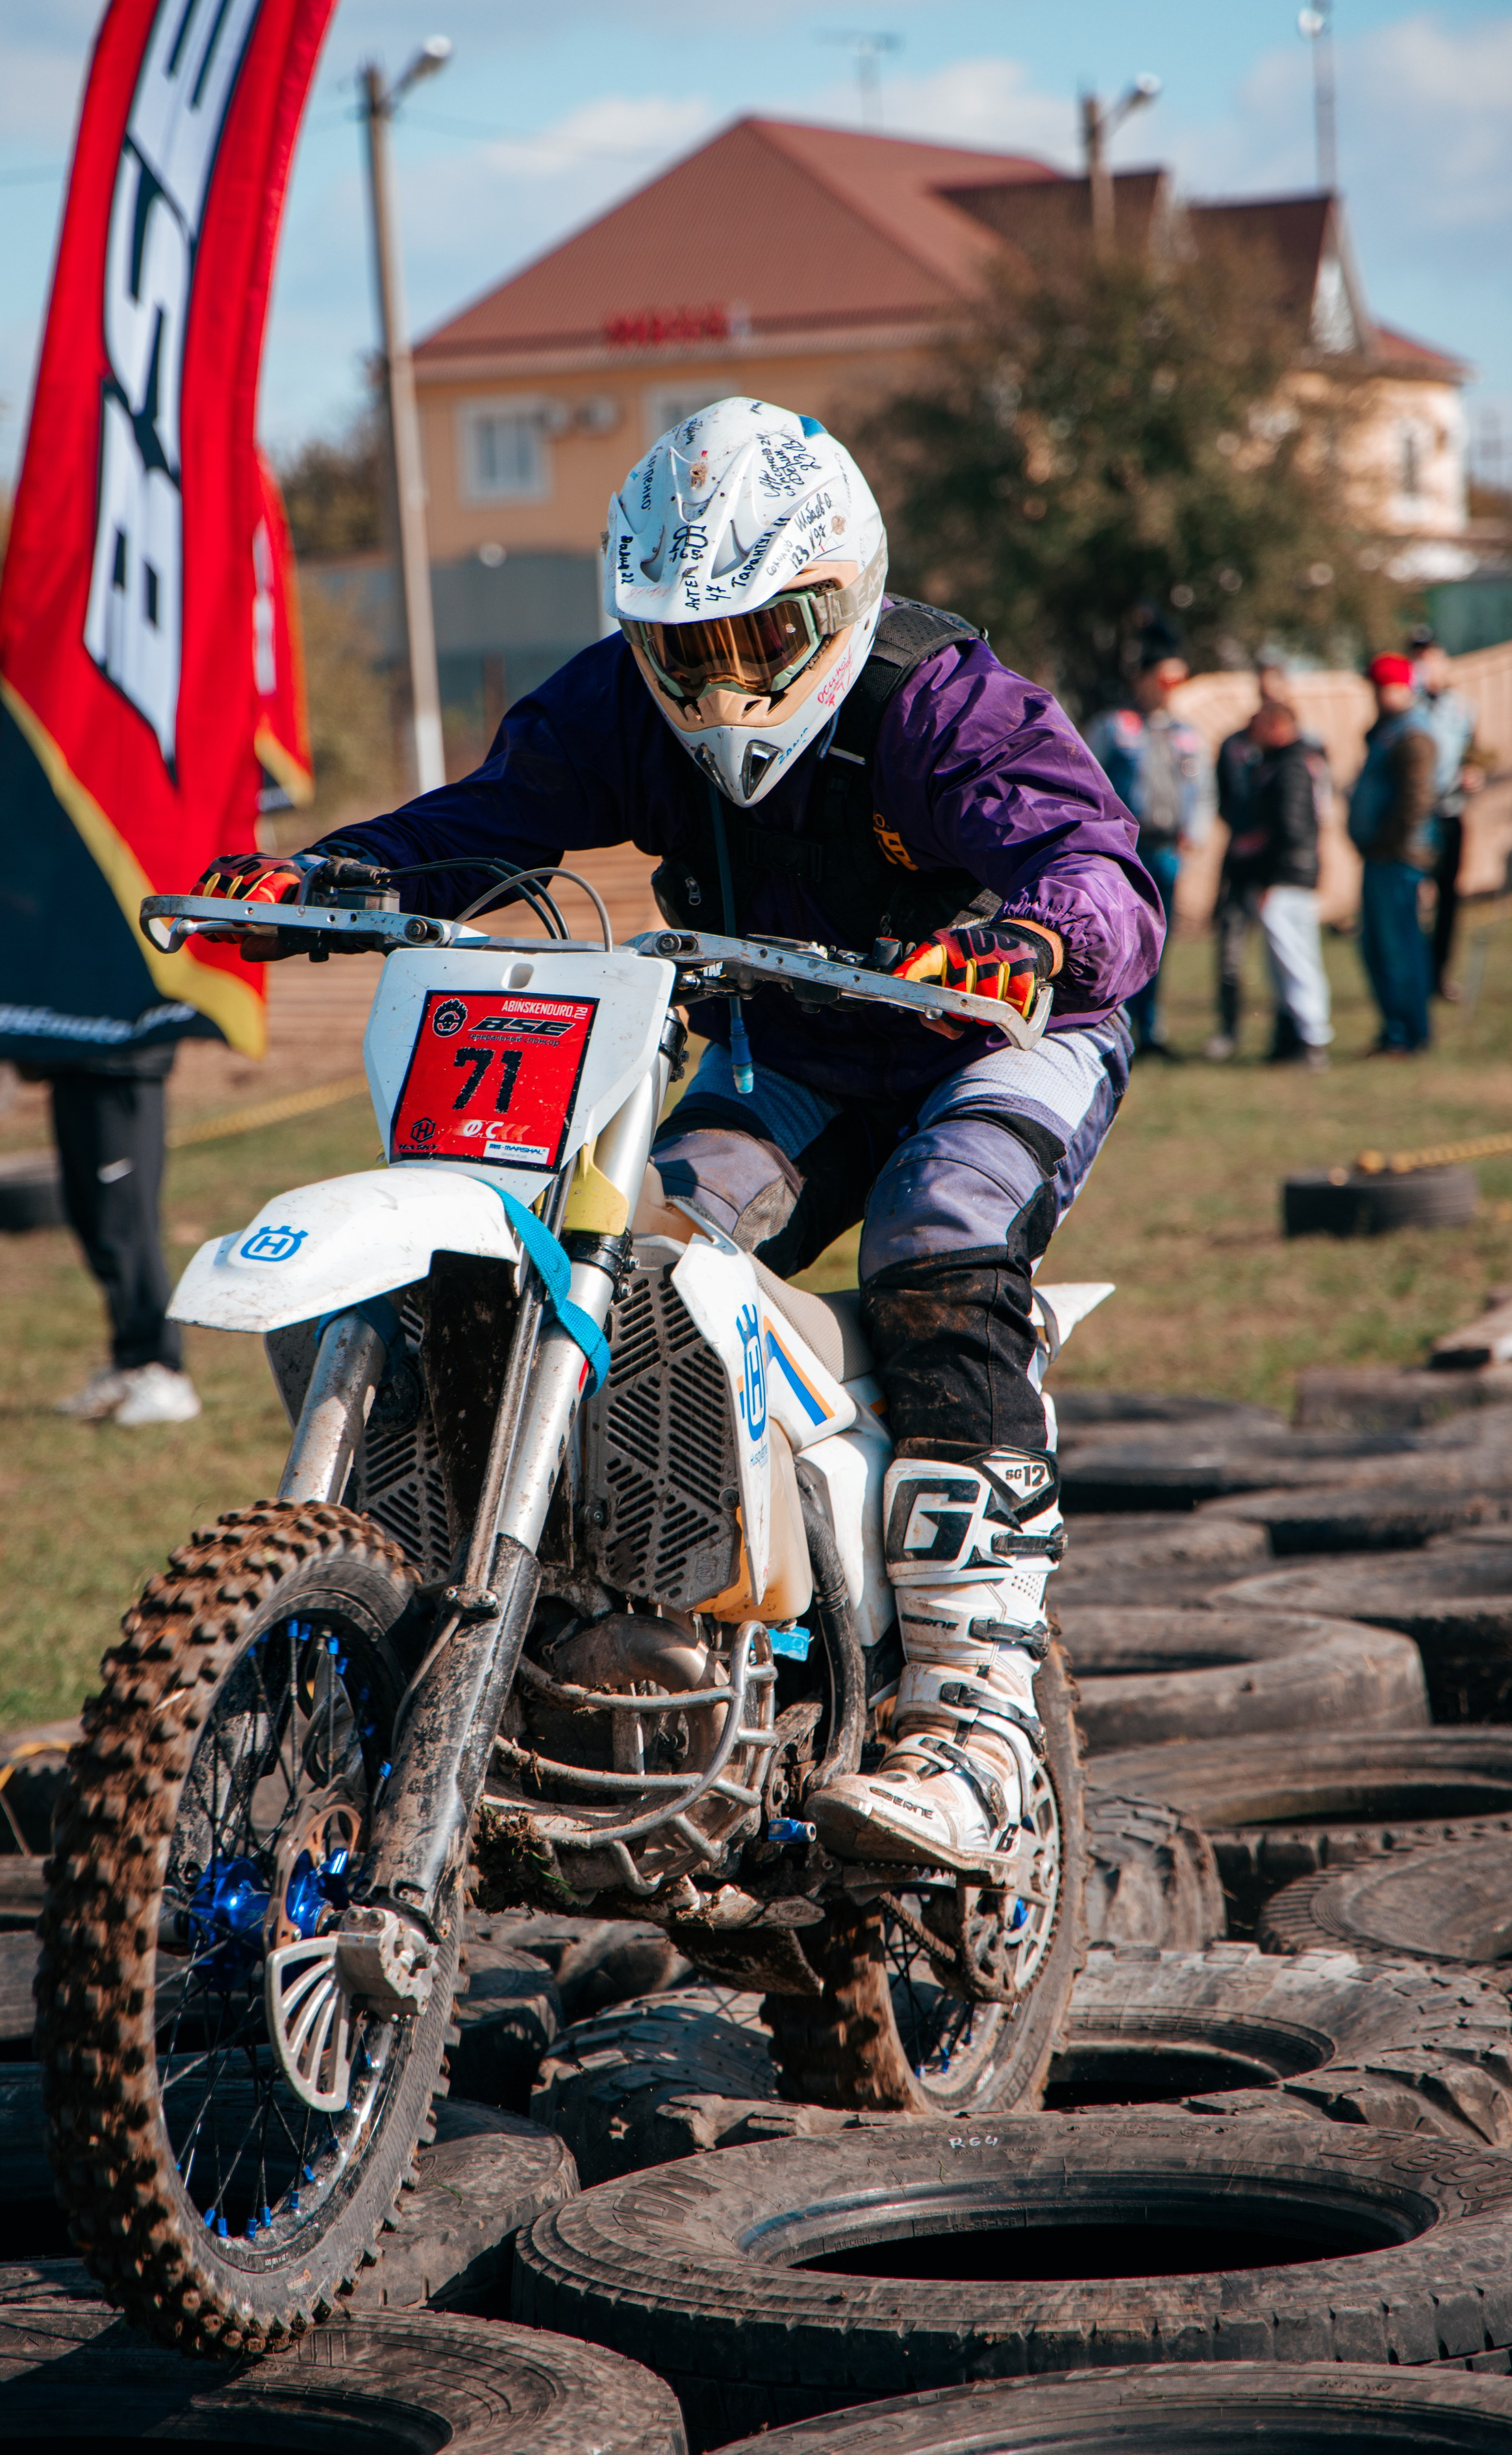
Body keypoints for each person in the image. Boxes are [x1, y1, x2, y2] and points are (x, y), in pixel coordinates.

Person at [188, 397, 1163, 1880]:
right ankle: (616, 1610)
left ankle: (972, 1719)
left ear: (838, 598)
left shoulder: (939, 703)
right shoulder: (614, 707)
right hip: (790, 1044)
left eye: (755, 641)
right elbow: (492, 816)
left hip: (1002, 1032)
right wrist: (328, 874)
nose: (717, 689)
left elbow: (1094, 864)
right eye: (682, 648)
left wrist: (1033, 935)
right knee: (631, 1264)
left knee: (934, 1244)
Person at [47, 1046, 201, 1426]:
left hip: (122, 1061)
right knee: (94, 1223)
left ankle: (163, 1371)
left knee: (126, 1226)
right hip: (67, 1060)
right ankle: (130, 1362)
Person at [1083, 625, 1211, 1058]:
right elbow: (1087, 779)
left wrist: (1196, 830)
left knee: (1158, 944)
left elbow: (1204, 789)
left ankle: (1152, 1031)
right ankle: (1115, 1027)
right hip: (1125, 853)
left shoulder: (1186, 733)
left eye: (1178, 680)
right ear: (1143, 679)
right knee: (1119, 941)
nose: (1170, 690)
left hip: (1169, 850)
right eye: (1164, 679)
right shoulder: (1115, 726)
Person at [1205, 656, 1331, 1061]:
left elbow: (1293, 829)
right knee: (1277, 961)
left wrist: (1276, 877)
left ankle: (1310, 1038)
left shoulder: (1293, 765)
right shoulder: (1270, 759)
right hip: (1273, 874)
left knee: (1297, 961)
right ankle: (1289, 1037)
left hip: (1286, 876)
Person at [1348, 651, 1439, 1058]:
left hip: (1399, 859)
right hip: (1378, 857)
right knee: (1376, 947)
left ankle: (1409, 1032)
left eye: (1386, 687)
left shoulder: (1413, 734)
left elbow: (1417, 798)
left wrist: (1391, 841)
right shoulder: (1385, 731)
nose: (1379, 696)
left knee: (1400, 947)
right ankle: (1393, 1029)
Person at [1408, 627, 1483, 1003]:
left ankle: (1439, 974)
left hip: (1450, 812)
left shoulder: (1462, 708)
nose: (1425, 664)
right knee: (1414, 896)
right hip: (1417, 817)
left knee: (1448, 898)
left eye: (1430, 655)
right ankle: (1416, 972)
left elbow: (1476, 753)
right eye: (1418, 657)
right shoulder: (1407, 708)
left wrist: (1473, 773)